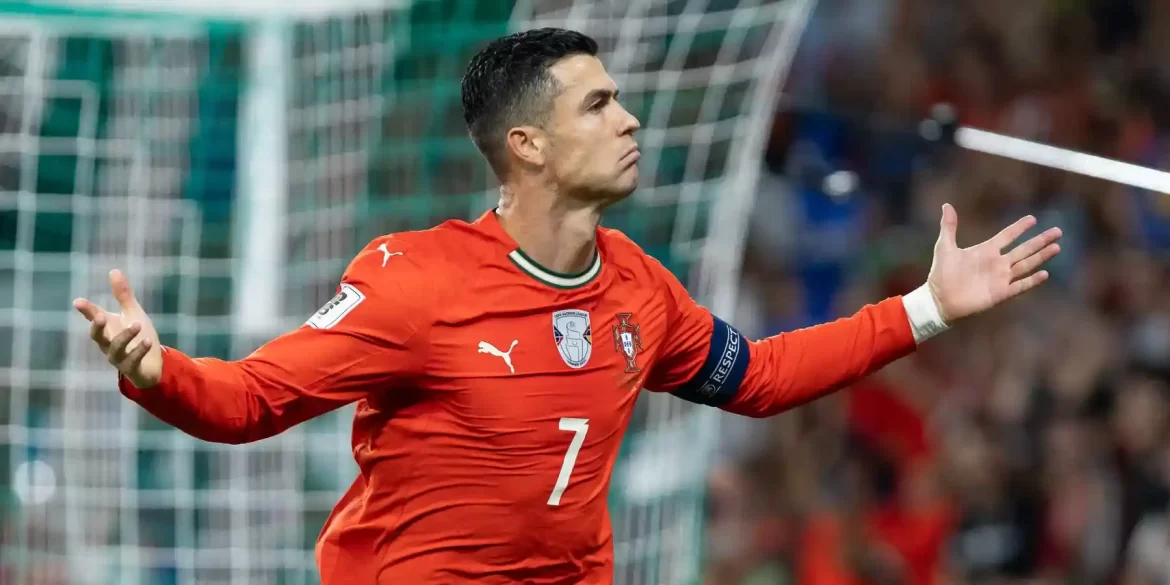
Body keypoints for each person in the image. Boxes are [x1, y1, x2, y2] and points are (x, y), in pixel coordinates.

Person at [72, 28, 1062, 585]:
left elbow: (754, 378)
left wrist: (926, 306)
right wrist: (157, 373)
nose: (628, 118)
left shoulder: (636, 283)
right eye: (595, 105)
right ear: (527, 147)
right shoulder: (418, 283)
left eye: (619, 99)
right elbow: (251, 401)